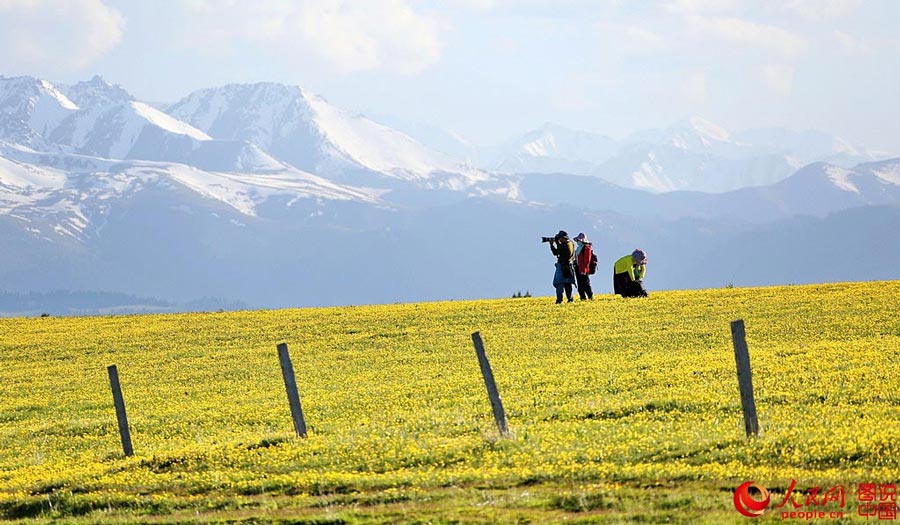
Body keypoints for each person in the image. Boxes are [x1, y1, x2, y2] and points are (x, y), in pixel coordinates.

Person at [549, 230, 576, 304]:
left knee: (559, 284)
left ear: (562, 238)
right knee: (568, 284)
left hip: (562, 266)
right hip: (569, 266)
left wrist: (552, 245)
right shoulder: (571, 243)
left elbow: (556, 252)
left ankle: (559, 300)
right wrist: (558, 243)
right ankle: (570, 299)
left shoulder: (565, 245)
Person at [573, 232, 597, 300]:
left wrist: (584, 269)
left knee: (586, 284)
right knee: (580, 285)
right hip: (578, 268)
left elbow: (587, 260)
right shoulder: (579, 248)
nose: (578, 242)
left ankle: (590, 297)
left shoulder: (587, 248)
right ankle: (582, 298)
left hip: (584, 269)